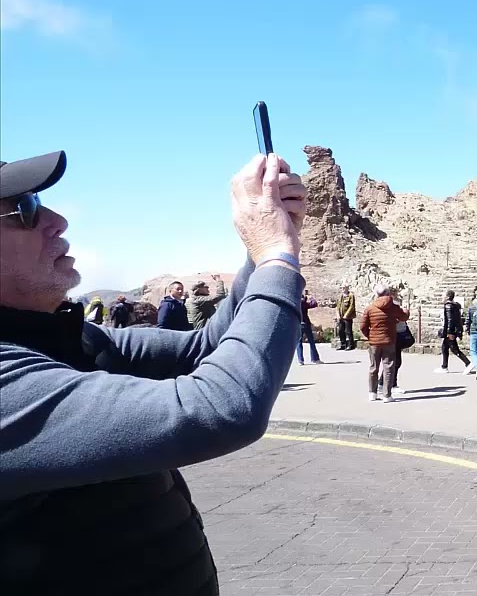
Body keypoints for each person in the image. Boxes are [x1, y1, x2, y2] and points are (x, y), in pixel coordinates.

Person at [0, 150, 306, 594]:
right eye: (24, 209)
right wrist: (278, 259)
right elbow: (221, 407)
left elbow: (208, 349)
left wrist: (262, 255)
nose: (56, 220)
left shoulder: (71, 341)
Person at [360, 284, 408, 402]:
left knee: (373, 367)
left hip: (374, 342)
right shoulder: (393, 307)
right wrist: (406, 310)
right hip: (389, 341)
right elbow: (404, 317)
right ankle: (387, 395)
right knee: (388, 367)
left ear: (377, 294)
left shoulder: (370, 308)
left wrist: (370, 335)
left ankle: (372, 393)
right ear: (388, 294)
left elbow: (363, 326)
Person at [438, 290, 470, 373]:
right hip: (452, 330)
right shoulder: (455, 306)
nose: (442, 297)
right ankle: (444, 366)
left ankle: (468, 363)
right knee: (445, 347)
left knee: (454, 349)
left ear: (448, 297)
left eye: (443, 295)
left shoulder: (448, 306)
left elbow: (450, 320)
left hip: (450, 331)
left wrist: (449, 332)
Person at [297, 289, 321, 365]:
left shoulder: (296, 303)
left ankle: (300, 360)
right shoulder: (303, 303)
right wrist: (310, 297)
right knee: (311, 341)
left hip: (299, 323)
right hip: (306, 323)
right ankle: (315, 359)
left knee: (299, 342)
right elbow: (314, 304)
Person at [336, 285, 357, 350]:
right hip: (341, 316)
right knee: (341, 330)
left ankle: (351, 345)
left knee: (348, 331)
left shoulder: (351, 295)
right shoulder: (340, 296)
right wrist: (338, 315)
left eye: (344, 287)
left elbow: (352, 306)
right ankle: (343, 344)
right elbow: (338, 306)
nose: (343, 289)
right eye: (342, 287)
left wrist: (346, 315)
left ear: (347, 288)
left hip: (348, 317)